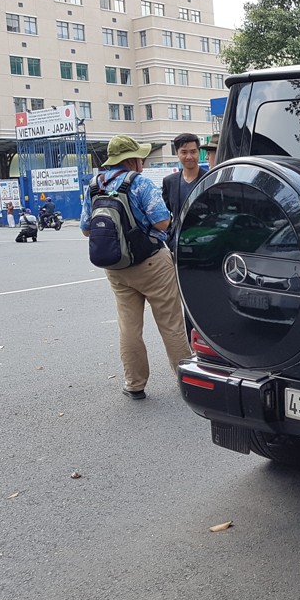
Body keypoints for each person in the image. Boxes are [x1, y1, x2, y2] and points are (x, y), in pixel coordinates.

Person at [80, 135, 191, 400]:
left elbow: (86, 229)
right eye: (139, 157)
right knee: (171, 324)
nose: (141, 161)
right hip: (152, 263)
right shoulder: (139, 183)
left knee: (129, 327)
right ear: (131, 160)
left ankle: (134, 384)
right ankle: (185, 380)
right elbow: (163, 223)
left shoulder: (94, 185)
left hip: (117, 267)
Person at [162, 132, 208, 249]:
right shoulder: (169, 182)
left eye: (193, 152)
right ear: (177, 153)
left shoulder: (210, 178)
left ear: (199, 152)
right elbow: (165, 211)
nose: (189, 156)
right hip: (178, 242)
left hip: (205, 240)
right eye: (184, 152)